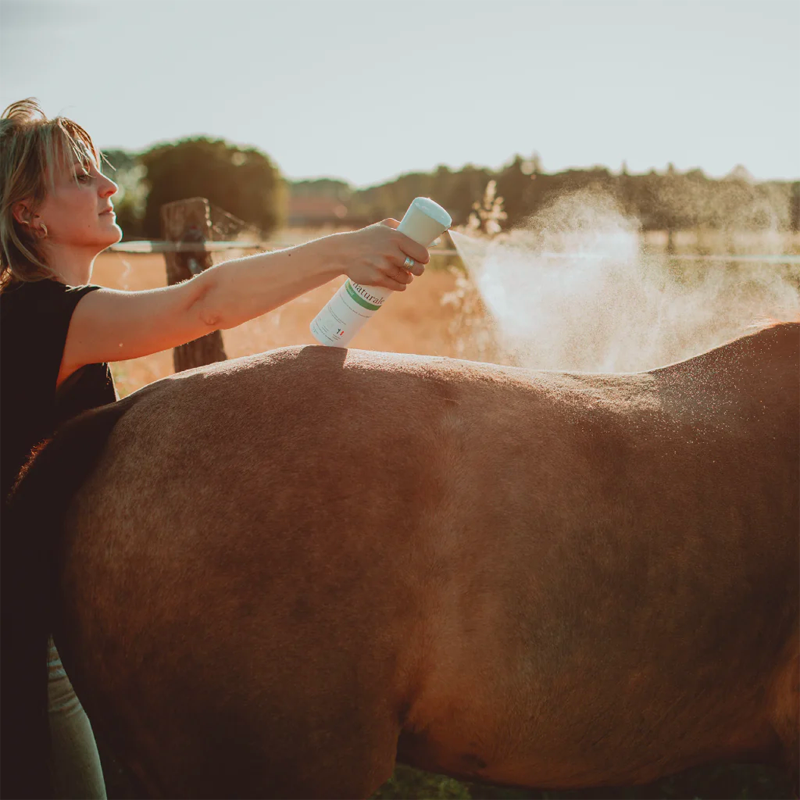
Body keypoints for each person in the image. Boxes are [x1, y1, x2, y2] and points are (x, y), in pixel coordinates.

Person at [0, 97, 430, 799]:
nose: (110, 187)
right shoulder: (37, 316)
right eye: (81, 177)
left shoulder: (51, 310)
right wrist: (344, 251)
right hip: (20, 631)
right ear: (29, 214)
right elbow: (204, 304)